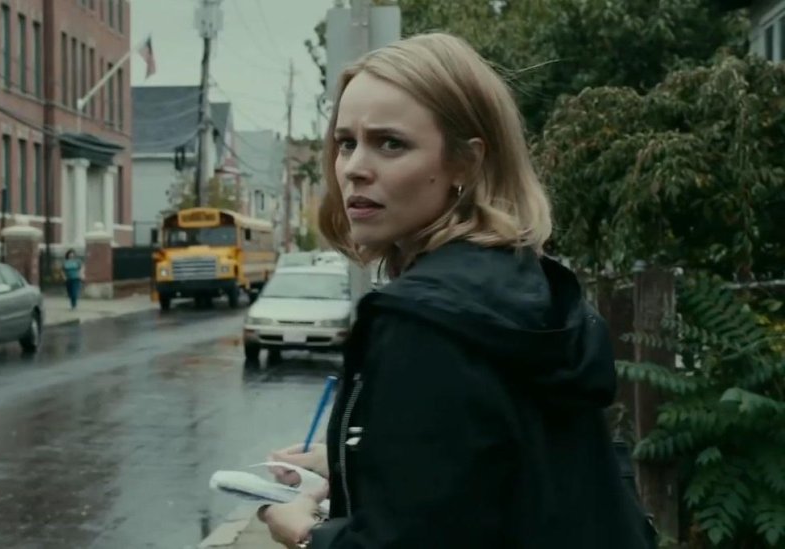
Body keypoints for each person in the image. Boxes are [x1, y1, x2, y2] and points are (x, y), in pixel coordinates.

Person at [258, 33, 656, 549]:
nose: (354, 167)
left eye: (390, 143)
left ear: (465, 163)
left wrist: (305, 533)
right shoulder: (522, 283)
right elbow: (505, 474)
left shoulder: (426, 319)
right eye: (346, 142)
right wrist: (358, 458)